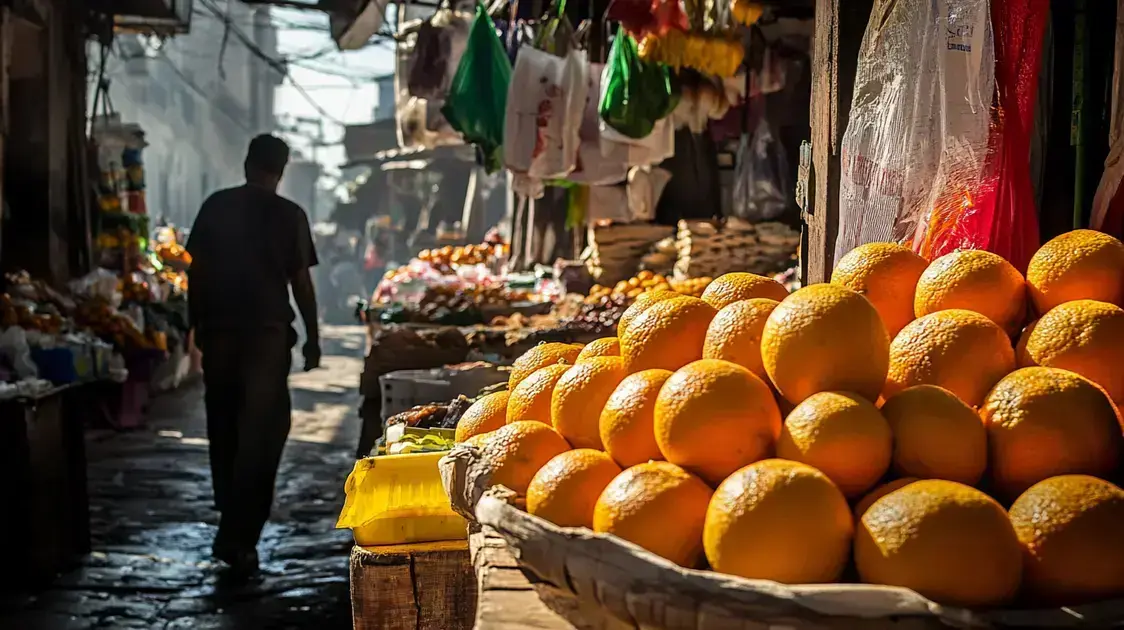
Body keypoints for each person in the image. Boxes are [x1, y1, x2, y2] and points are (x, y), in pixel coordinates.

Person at [186, 134, 320, 575]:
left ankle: (232, 521)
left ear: (246, 164)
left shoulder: (215, 206)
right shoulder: (290, 215)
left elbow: (196, 273)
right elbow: (301, 282)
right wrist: (313, 336)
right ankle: (241, 535)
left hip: (221, 336)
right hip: (265, 339)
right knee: (262, 436)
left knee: (224, 428)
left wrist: (197, 327)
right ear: (280, 171)